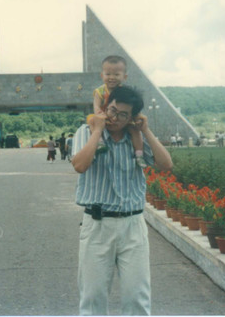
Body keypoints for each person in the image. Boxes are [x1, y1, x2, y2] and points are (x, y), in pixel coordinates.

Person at [72, 86, 173, 315]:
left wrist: (146, 131)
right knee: (93, 297)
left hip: (133, 227)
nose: (114, 118)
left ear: (133, 118)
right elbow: (79, 165)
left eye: (122, 115)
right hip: (97, 226)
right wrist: (97, 131)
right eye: (112, 110)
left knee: (137, 297)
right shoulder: (85, 132)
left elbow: (166, 165)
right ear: (106, 105)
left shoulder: (136, 138)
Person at [90, 55, 145, 169]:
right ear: (102, 75)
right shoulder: (99, 91)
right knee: (91, 121)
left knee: (135, 131)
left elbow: (132, 107)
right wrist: (103, 117)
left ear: (124, 76)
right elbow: (96, 107)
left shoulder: (125, 92)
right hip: (104, 116)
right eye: (108, 74)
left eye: (116, 74)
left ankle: (139, 154)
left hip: (122, 120)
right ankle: (100, 142)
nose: (112, 77)